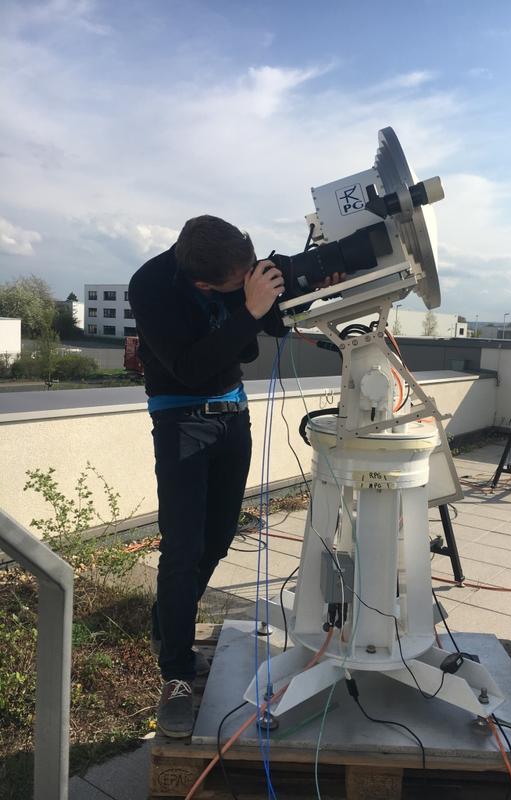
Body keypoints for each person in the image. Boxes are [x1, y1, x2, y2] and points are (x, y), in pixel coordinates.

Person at [128, 215, 288, 738]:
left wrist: (277, 302)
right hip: (181, 422)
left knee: (218, 539)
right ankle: (176, 672)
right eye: (235, 282)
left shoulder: (230, 268)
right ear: (203, 282)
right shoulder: (150, 287)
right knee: (182, 547)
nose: (247, 282)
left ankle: (165, 623)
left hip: (233, 415)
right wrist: (249, 311)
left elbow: (246, 346)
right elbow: (192, 367)